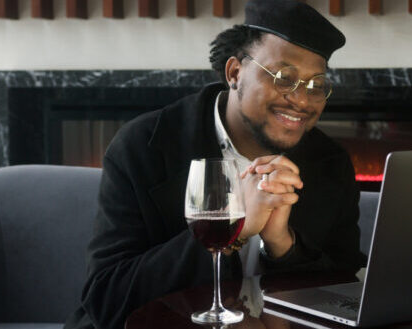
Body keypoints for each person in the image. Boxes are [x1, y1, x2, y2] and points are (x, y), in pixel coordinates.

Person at [64, 1, 366, 328]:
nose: (302, 100)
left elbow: (345, 291)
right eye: (283, 77)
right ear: (235, 72)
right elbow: (107, 300)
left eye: (316, 85)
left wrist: (283, 245)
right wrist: (231, 230)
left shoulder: (330, 162)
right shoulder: (144, 145)